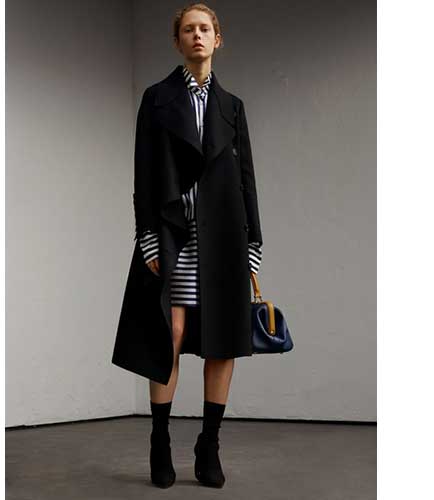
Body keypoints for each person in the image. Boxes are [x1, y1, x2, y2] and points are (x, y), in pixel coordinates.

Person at [111, 2, 265, 489]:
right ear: (177, 40)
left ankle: (209, 444)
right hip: (173, 232)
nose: (197, 35)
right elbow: (142, 175)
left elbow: (246, 179)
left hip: (225, 236)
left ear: (218, 39)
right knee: (169, 333)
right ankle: (159, 441)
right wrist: (147, 236)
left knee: (222, 340)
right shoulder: (157, 99)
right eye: (188, 29)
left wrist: (254, 243)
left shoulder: (231, 106)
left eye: (205, 29)